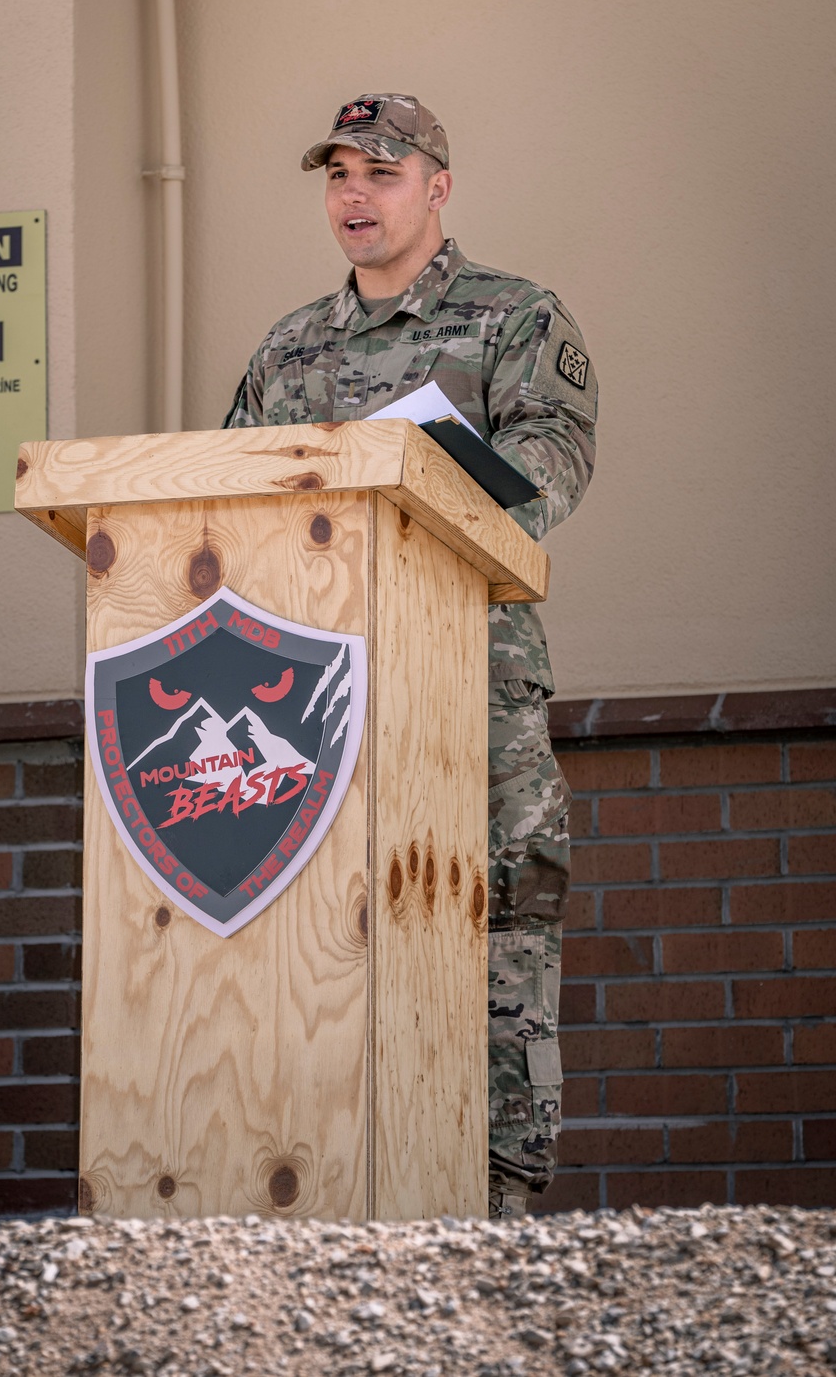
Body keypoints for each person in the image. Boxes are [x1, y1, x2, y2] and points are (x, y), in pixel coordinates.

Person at [223, 94, 597, 1215]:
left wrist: (411, 477)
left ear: (438, 189)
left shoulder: (514, 319)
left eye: (381, 173)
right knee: (323, 933)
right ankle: (330, 1195)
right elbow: (231, 502)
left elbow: (545, 475)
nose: (354, 193)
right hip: (310, 704)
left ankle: (499, 1213)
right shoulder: (287, 346)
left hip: (463, 689)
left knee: (496, 945)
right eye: (337, 173)